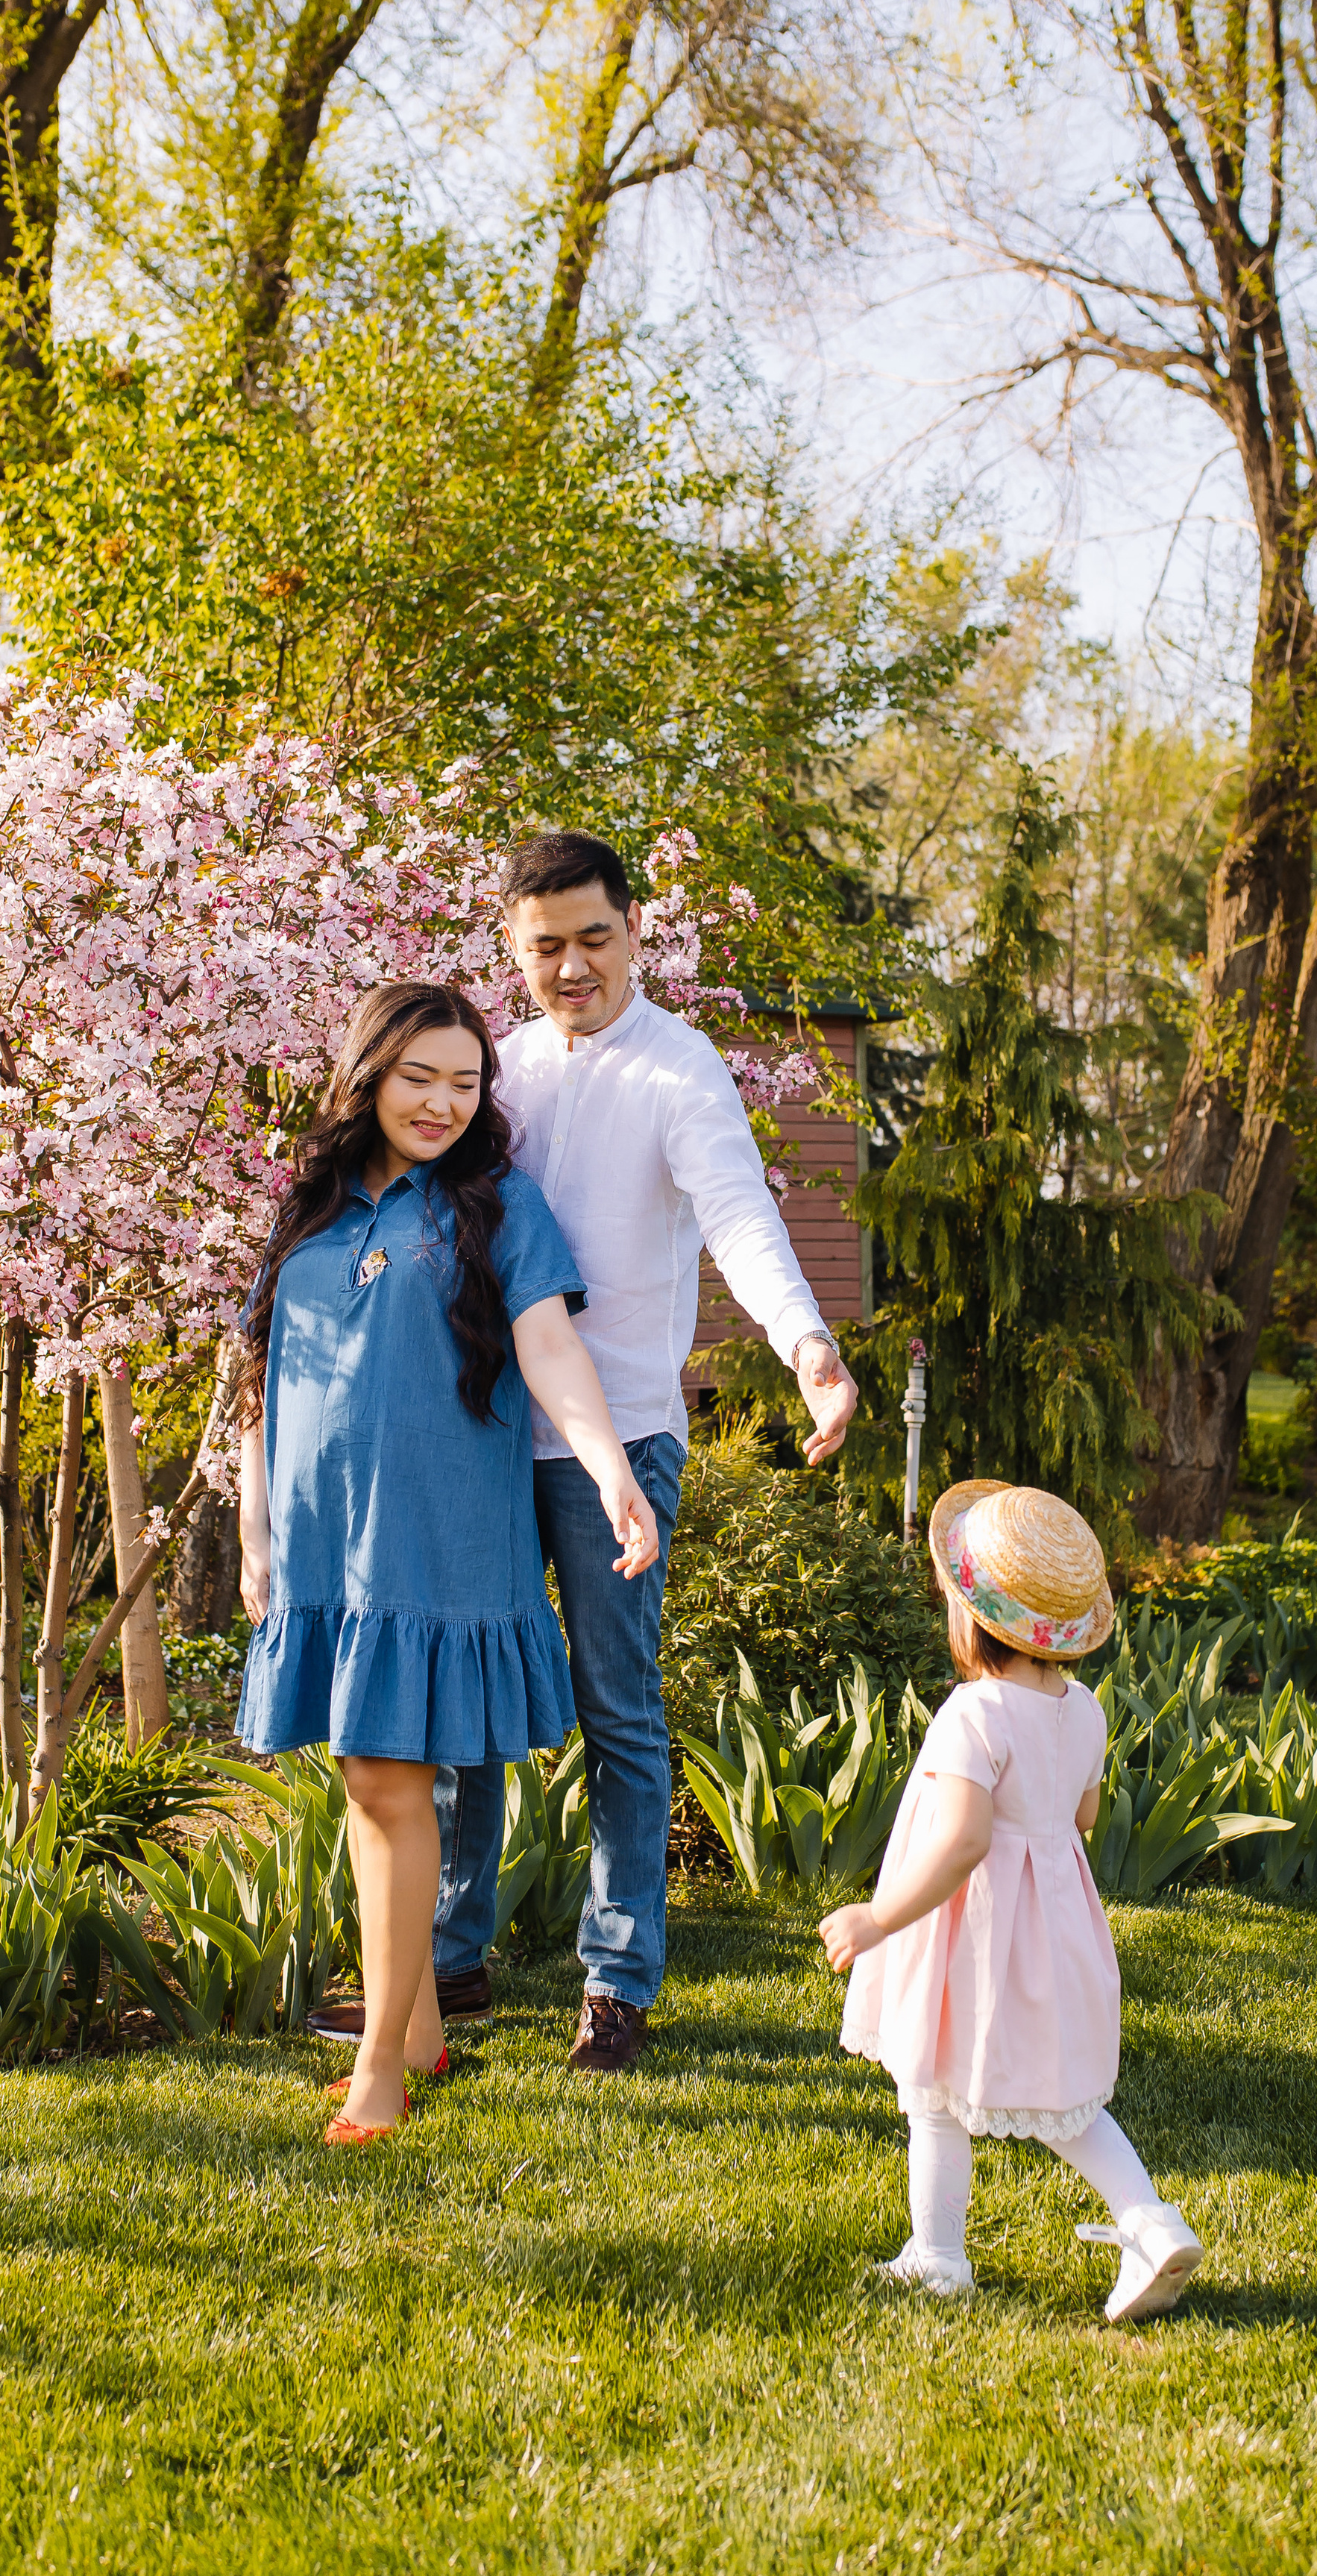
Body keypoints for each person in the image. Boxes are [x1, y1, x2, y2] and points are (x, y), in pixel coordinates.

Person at [430, 829, 861, 2073]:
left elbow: (737, 1213)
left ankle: (617, 1983)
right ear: (513, 951)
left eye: (593, 941)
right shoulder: (494, 1074)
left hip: (622, 1441)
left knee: (620, 1711)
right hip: (487, 1433)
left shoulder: (680, 1073)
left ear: (637, 930)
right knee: (469, 1703)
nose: (572, 968)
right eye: (544, 948)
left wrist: (808, 1346)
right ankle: (452, 1962)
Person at [235, 978, 658, 2144]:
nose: (442, 1102)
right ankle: (417, 2024)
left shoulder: (498, 1206)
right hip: (327, 1540)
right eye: (419, 1076)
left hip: (439, 1538)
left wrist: (612, 1470)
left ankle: (382, 2064)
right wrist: (257, 1527)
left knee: (386, 1779)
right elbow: (262, 1381)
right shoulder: (310, 1209)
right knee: (367, 1780)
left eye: (466, 1083)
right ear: (368, 1075)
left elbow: (549, 1349)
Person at [820, 1480, 1204, 2321]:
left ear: (973, 1618)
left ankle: (940, 2255)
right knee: (1061, 2095)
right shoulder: (1086, 1710)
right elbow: (1082, 1815)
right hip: (1053, 1925)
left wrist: (878, 1919)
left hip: (970, 1931)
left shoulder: (972, 1713)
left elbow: (962, 1842)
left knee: (931, 2085)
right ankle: (1144, 2217)